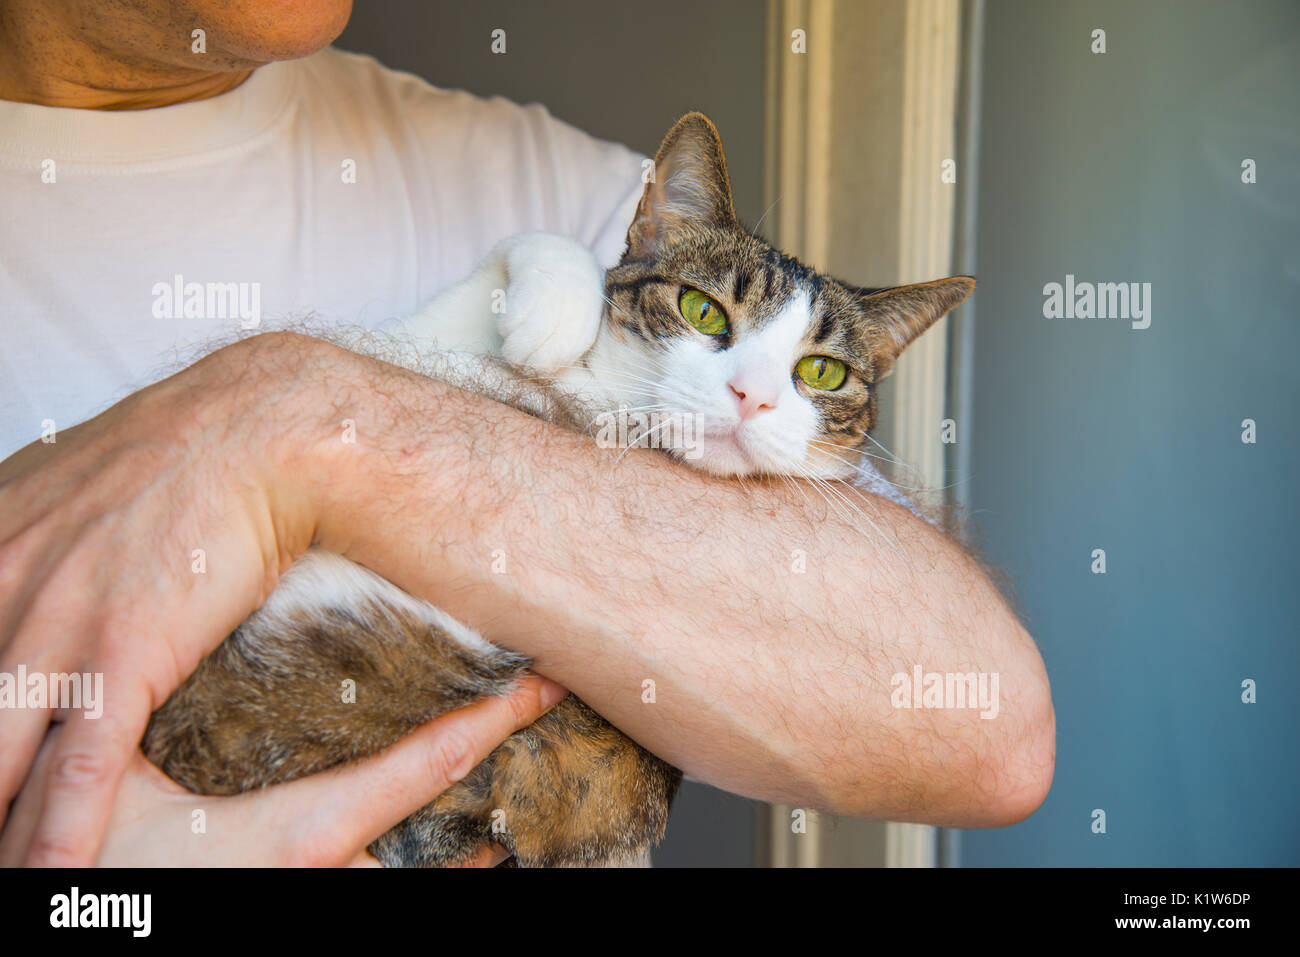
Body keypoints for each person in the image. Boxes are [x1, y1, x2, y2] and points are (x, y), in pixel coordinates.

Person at [0, 0, 1055, 867]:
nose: (752, 393)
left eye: (814, 373)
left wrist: (293, 417)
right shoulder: (646, 272)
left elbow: (988, 733)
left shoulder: (566, 198)